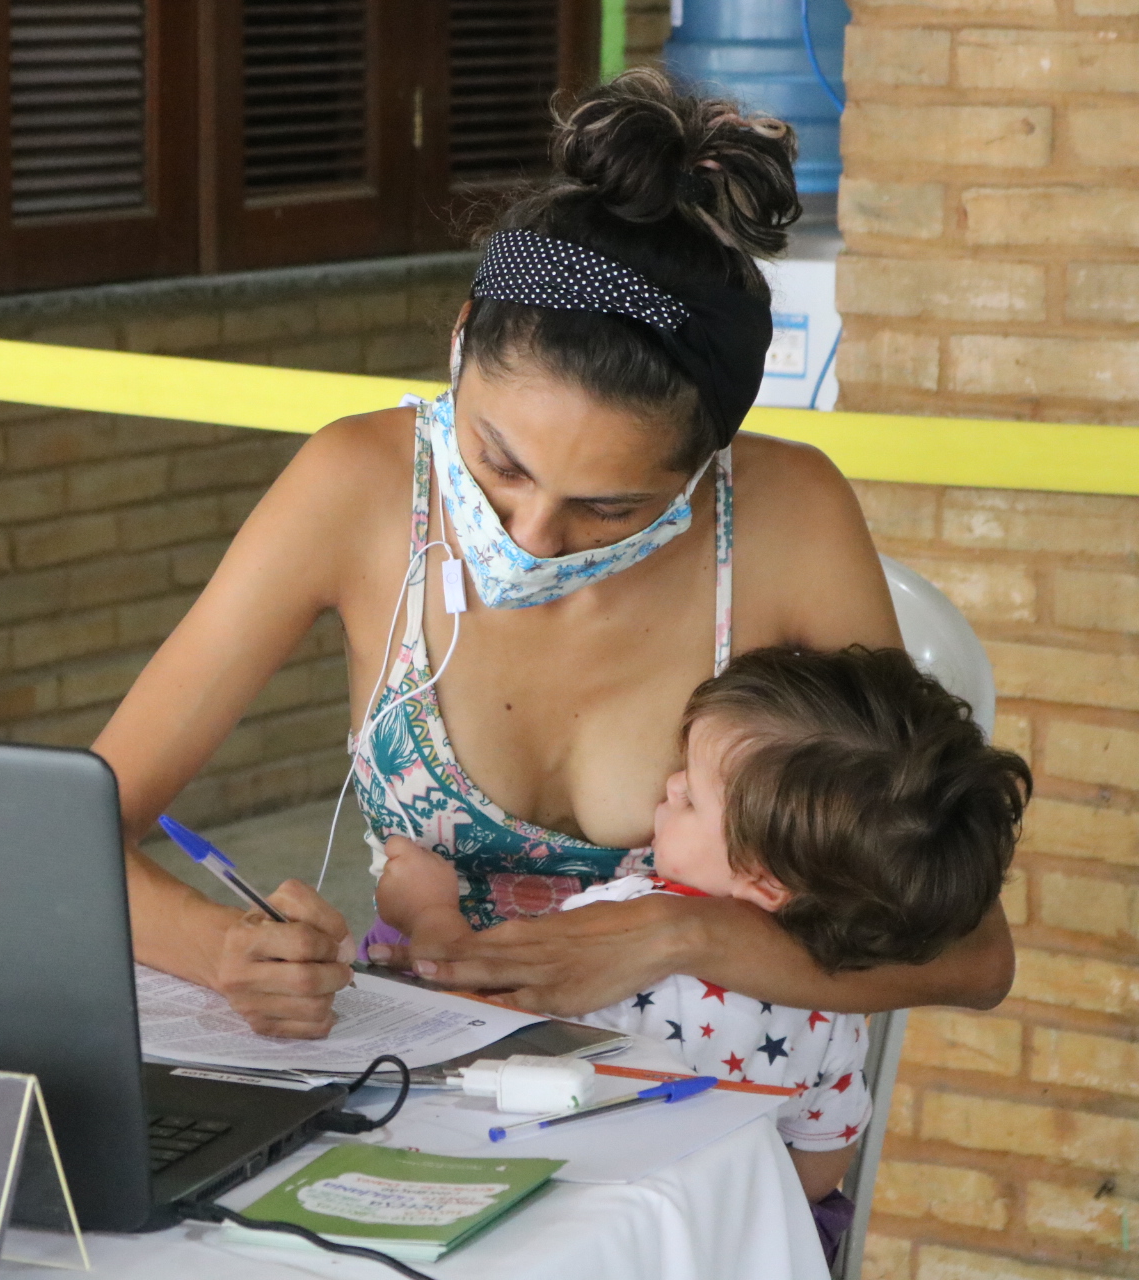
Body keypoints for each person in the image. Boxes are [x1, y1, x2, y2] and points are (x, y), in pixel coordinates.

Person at [90, 68, 1014, 1045]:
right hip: (425, 1080)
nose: (531, 532)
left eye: (610, 506)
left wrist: (678, 932)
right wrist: (221, 949)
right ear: (457, 346)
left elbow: (973, 951)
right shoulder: (358, 486)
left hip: (709, 1119)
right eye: (498, 462)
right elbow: (68, 835)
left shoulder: (789, 515)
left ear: (708, 464)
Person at [373, 645, 1029, 1253]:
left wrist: (428, 912)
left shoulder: (618, 927)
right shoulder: (835, 1007)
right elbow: (820, 1167)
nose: (670, 786)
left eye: (691, 795)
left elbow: (471, 1035)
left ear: (766, 882)